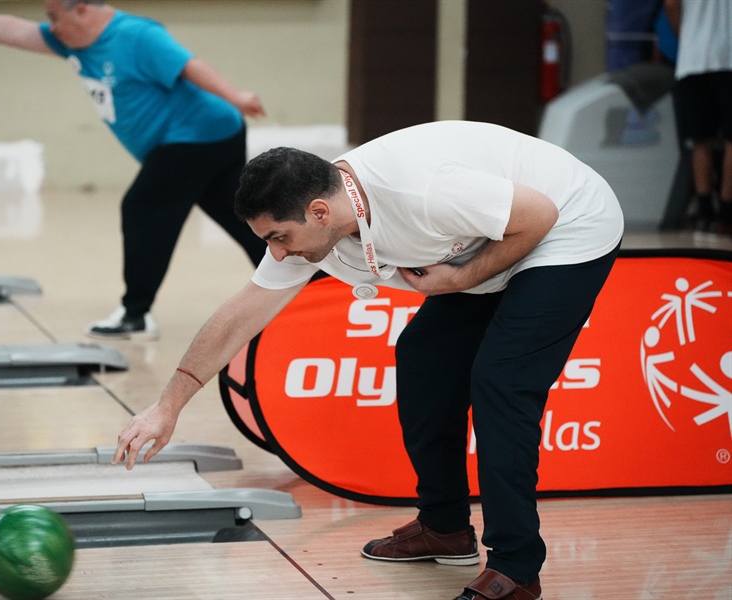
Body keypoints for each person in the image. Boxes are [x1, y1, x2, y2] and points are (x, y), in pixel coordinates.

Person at [112, 120, 624, 600]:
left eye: (278, 238)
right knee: (423, 358)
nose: (279, 254)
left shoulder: (420, 193)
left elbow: (540, 215)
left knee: (501, 382)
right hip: (497, 235)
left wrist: (461, 279)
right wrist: (168, 405)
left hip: (566, 227)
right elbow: (239, 316)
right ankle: (445, 528)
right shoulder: (320, 223)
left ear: (318, 212)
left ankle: (515, 568)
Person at [0, 0, 268, 339]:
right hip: (212, 135)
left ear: (81, 9)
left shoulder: (136, 35)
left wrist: (235, 96)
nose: (50, 27)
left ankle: (135, 315)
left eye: (54, 17)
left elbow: (190, 65)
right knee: (241, 216)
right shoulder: (74, 40)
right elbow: (15, 30)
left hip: (197, 135)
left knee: (143, 207)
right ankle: (304, 287)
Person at [664, 0, 732, 234]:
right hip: (728, 56)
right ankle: (726, 213)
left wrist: (686, 35)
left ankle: (704, 213)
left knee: (700, 140)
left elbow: (671, 4)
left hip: (692, 58)